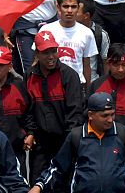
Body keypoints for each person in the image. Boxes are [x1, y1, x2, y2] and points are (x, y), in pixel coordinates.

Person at [29, 92, 125, 193]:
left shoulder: (123, 134)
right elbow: (57, 168)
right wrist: (38, 186)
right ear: (91, 115)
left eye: (112, 114)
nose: (110, 119)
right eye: (105, 115)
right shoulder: (76, 137)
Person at [25, 30, 84, 184]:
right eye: (45, 53)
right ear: (37, 54)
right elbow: (28, 110)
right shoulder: (30, 76)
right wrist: (31, 132)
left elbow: (75, 111)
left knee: (63, 183)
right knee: (37, 183)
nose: (51, 56)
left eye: (53, 51)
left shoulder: (69, 75)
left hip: (64, 141)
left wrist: (70, 140)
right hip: (40, 145)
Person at [0, 46, 35, 170]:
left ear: (9, 67)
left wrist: (30, 134)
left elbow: (29, 113)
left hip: (16, 149)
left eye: (1, 65)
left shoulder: (19, 86)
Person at [88, 42, 125, 141]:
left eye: (124, 65)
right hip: (98, 145)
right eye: (116, 64)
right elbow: (86, 116)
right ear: (108, 64)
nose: (120, 69)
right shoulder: (96, 86)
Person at [37, 0, 97, 86]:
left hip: (77, 85)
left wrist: (88, 90)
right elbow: (37, 59)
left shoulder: (87, 33)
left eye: (73, 7)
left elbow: (87, 65)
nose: (69, 10)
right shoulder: (46, 30)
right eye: (65, 6)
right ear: (58, 8)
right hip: (51, 84)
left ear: (78, 8)